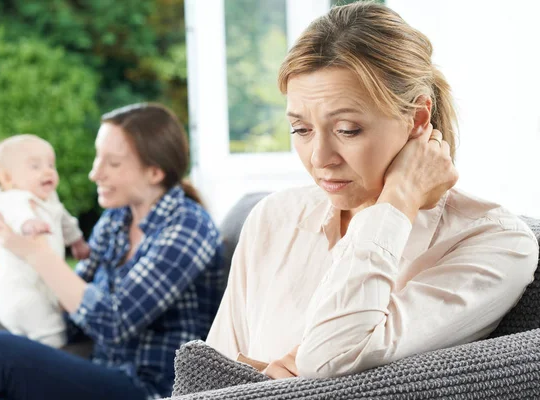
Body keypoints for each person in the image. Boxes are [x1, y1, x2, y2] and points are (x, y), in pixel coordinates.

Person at [206, 1, 539, 381]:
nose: (320, 158)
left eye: (347, 130)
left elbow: (330, 357)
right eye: (301, 130)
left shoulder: (495, 242)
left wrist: (398, 201)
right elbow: (211, 378)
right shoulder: (275, 216)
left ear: (417, 119)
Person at [0, 103, 225, 399]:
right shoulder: (117, 219)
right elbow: (74, 306)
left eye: (112, 163)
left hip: (153, 389)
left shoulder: (188, 227)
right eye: (97, 157)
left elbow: (115, 323)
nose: (94, 173)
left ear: (154, 172)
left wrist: (36, 254)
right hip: (102, 372)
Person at [0, 134, 90, 348]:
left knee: (33, 339)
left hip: (40, 289)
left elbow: (65, 221)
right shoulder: (12, 198)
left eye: (51, 165)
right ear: (8, 178)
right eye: (35, 166)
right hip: (20, 292)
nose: (47, 171)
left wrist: (77, 241)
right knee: (53, 335)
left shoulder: (49, 200)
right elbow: (16, 215)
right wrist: (28, 224)